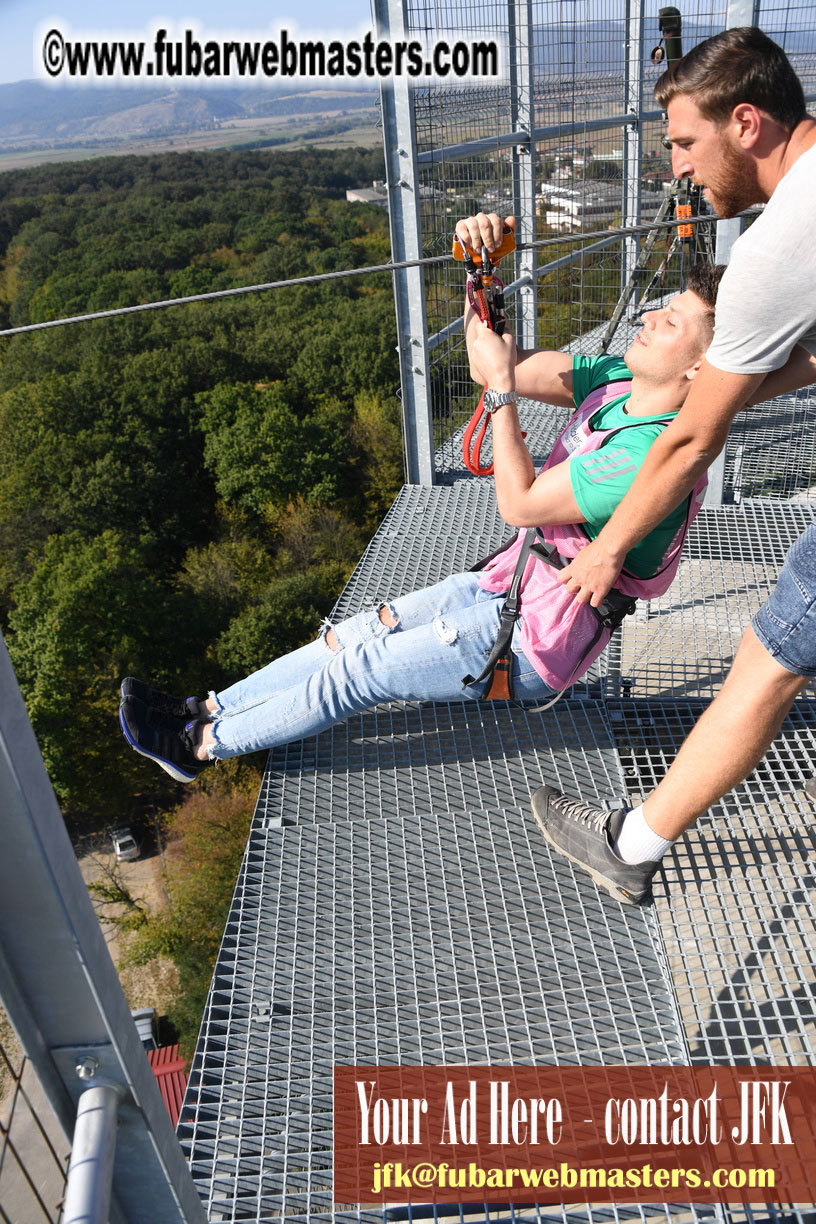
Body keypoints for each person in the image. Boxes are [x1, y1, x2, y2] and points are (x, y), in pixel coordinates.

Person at [119, 223, 723, 787]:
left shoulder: (645, 453)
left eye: (671, 322)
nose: (648, 315)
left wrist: (504, 394)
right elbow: (491, 363)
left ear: (700, 368)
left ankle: (201, 745)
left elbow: (518, 502)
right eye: (661, 307)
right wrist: (480, 282)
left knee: (358, 673)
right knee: (348, 637)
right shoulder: (619, 381)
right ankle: (207, 707)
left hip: (534, 641)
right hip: (510, 585)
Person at [531, 27, 816, 906]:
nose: (678, 172)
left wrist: (609, 550)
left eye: (685, 145)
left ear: (746, 122)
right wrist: (719, 396)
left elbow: (692, 443)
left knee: (772, 655)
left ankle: (632, 844)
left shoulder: (777, 246)